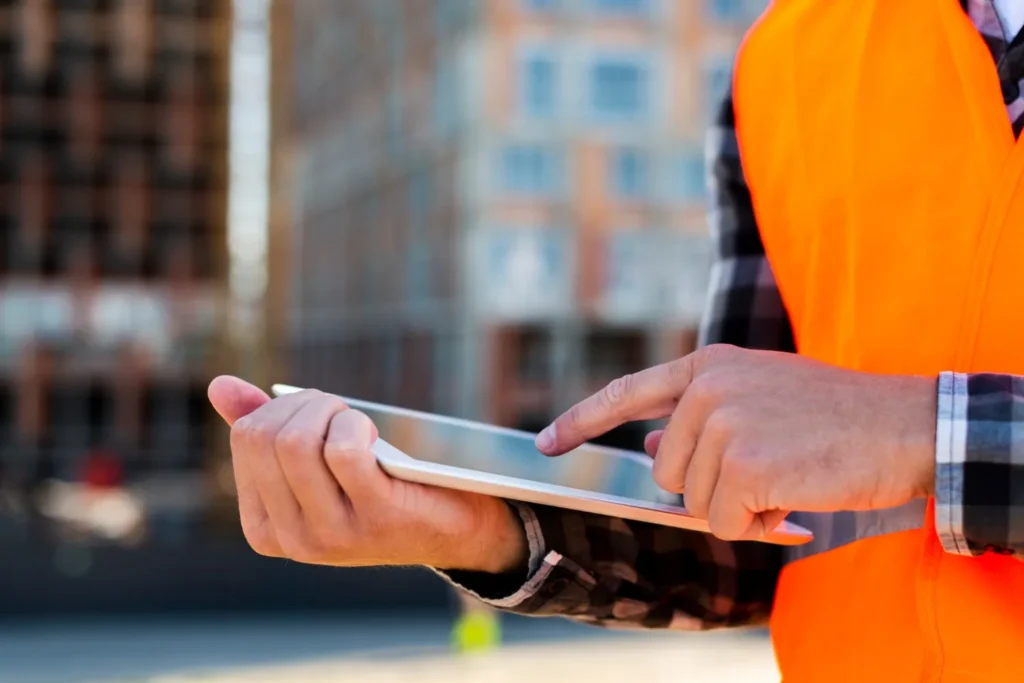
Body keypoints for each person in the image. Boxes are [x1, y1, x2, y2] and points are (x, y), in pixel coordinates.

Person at [208, 1, 1024, 679]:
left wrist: (926, 434)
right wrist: (470, 526)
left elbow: (877, 436)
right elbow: (751, 536)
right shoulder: (786, 61)